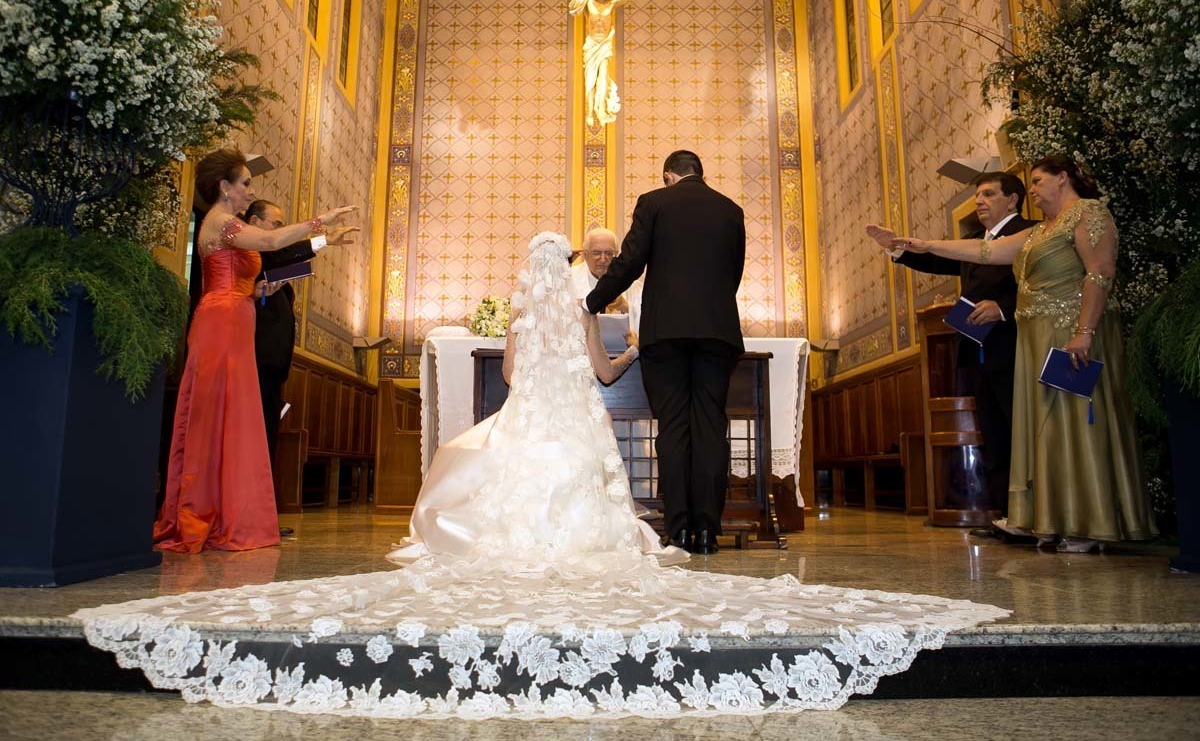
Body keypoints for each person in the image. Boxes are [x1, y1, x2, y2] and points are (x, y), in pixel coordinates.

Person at [75, 230, 1009, 717]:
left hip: (536, 419)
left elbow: (518, 383)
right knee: (583, 472)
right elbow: (605, 377)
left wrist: (538, 392)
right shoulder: (590, 322)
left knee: (472, 454)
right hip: (581, 429)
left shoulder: (530, 324)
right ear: (576, 271)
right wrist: (606, 366)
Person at [889, 155, 1156, 552]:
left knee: (1075, 425)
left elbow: (1100, 273)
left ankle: (1088, 522)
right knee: (1045, 430)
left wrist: (1084, 332)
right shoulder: (1038, 232)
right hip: (1035, 340)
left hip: (1069, 334)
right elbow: (983, 253)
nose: (1031, 190)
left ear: (1062, 179)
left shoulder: (1087, 213)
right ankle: (1051, 517)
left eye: (1037, 181)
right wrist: (920, 244)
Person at [387, 232, 676, 567]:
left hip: (528, 419)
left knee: (464, 453)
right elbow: (606, 375)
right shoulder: (584, 313)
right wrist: (633, 350)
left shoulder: (520, 313)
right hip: (576, 424)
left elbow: (510, 375)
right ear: (568, 268)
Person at [153, 148, 354, 554]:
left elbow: (239, 276)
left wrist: (261, 290)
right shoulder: (223, 222)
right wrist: (321, 222)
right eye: (244, 183)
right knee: (215, 417)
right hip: (220, 323)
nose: (250, 189)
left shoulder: (227, 223)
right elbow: (273, 240)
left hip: (235, 315)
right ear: (225, 188)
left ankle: (227, 510)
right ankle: (203, 512)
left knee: (232, 417)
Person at [586, 151, 745, 555]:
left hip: (667, 334)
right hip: (717, 331)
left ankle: (679, 531)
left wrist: (592, 301)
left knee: (673, 428)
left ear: (668, 176)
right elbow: (733, 272)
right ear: (700, 173)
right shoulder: (731, 210)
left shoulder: (654, 202)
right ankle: (708, 531)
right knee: (710, 428)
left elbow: (630, 263)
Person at [866, 172, 1037, 514]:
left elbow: (1043, 284)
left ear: (1013, 199)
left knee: (1019, 429)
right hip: (977, 349)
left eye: (989, 194)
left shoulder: (1030, 232)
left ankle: (1034, 511)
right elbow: (937, 260)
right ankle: (1005, 515)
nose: (980, 201)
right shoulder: (975, 239)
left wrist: (1003, 309)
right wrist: (896, 248)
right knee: (993, 433)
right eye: (977, 196)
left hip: (1014, 344)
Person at [244, 200, 358, 468]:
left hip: (272, 363)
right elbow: (278, 254)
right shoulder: (253, 250)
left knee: (267, 431)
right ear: (254, 223)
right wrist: (323, 240)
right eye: (277, 225)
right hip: (255, 357)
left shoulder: (264, 257)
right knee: (254, 430)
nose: (280, 232)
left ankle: (261, 496)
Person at [537, 0, 661, 127]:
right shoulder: (587, 1)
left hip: (604, 44)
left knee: (602, 77)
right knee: (590, 79)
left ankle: (600, 109)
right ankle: (589, 112)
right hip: (591, 44)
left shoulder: (612, 2)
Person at [569, 226, 642, 335]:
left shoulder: (632, 283)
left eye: (609, 253)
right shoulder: (569, 279)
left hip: (622, 349)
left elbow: (650, 320)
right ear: (585, 255)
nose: (603, 259)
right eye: (596, 253)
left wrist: (626, 307)